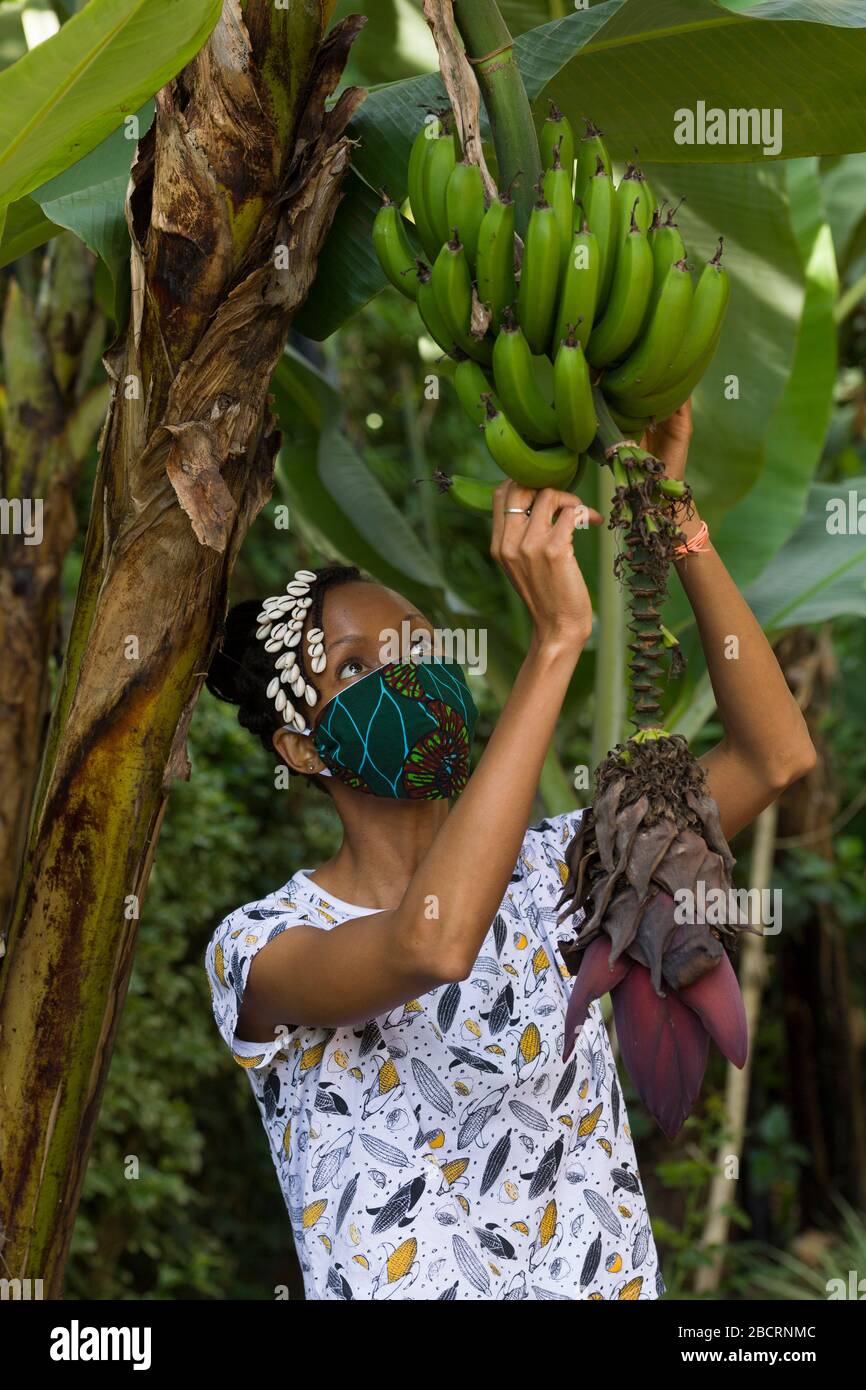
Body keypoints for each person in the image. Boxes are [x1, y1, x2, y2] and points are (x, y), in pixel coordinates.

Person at [203, 403, 816, 1301]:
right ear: (300, 748)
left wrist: (680, 533)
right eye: (354, 668)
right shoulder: (260, 948)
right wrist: (557, 644)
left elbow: (776, 755)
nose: (405, 669)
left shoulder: (567, 869)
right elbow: (433, 944)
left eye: (418, 642)